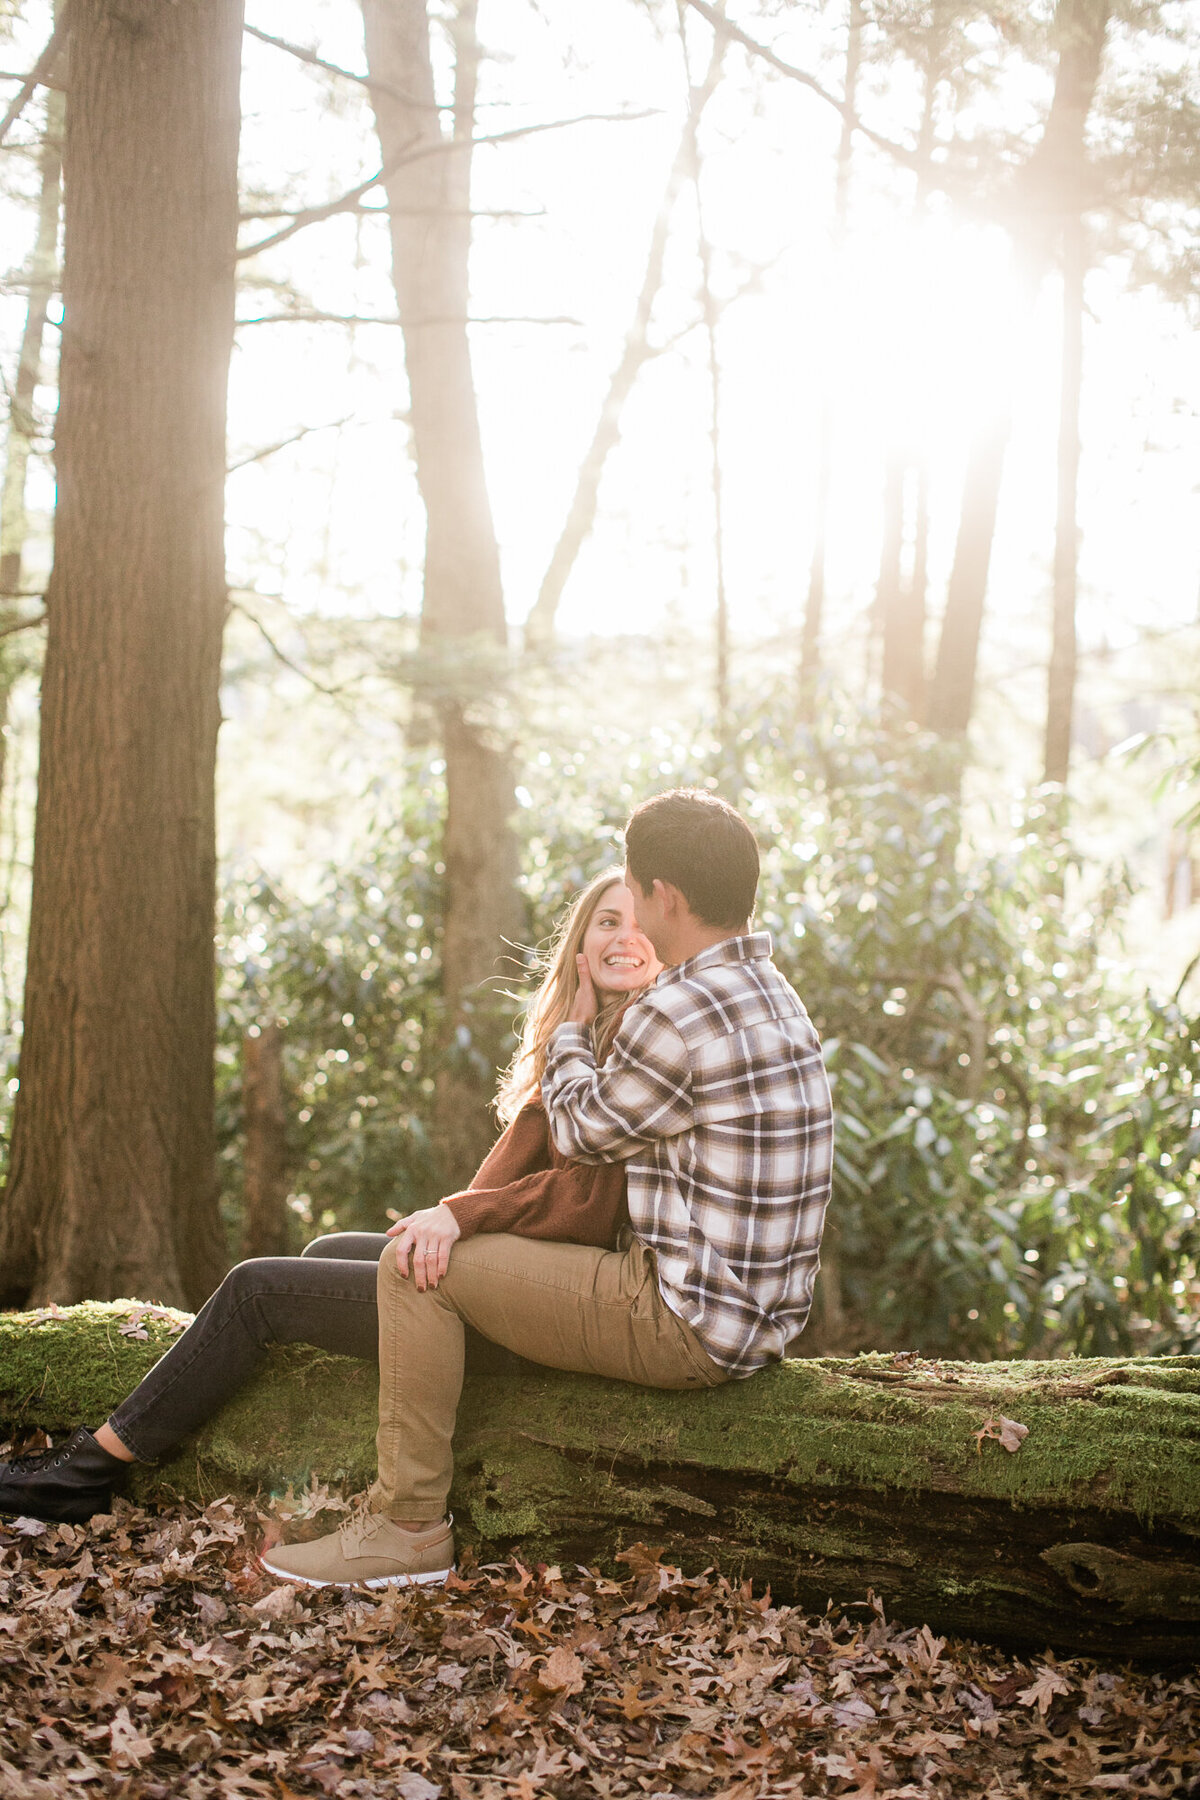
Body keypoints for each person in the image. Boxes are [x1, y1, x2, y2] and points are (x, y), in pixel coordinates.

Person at [260, 787, 834, 1591]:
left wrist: (570, 1028)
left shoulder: (677, 1010)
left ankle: (407, 1527)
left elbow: (579, 1130)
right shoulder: (776, 995)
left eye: (633, 892)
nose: (630, 911)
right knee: (413, 1253)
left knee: (412, 1267)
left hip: (683, 1321)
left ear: (664, 896)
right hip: (759, 1321)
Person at [0, 869, 661, 1527]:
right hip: (519, 1274)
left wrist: (459, 1217)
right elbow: (515, 1186)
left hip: (550, 1309)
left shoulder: (642, 1043)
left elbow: (583, 1206)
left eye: (639, 924)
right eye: (608, 921)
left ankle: (90, 1468)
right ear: (580, 941)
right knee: (329, 1251)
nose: (623, 937)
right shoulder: (587, 1036)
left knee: (256, 1290)